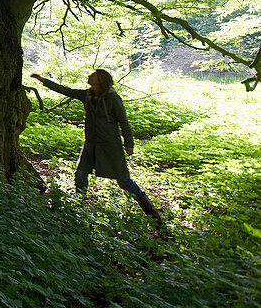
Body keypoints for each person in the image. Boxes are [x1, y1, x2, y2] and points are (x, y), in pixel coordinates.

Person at [30, 70, 163, 225]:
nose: (89, 77)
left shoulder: (113, 98)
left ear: (100, 80)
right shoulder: (86, 95)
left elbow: (124, 122)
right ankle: (79, 210)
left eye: (92, 76)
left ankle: (154, 216)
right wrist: (43, 80)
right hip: (90, 145)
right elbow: (66, 90)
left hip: (110, 146)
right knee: (80, 173)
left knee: (124, 182)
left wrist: (129, 144)